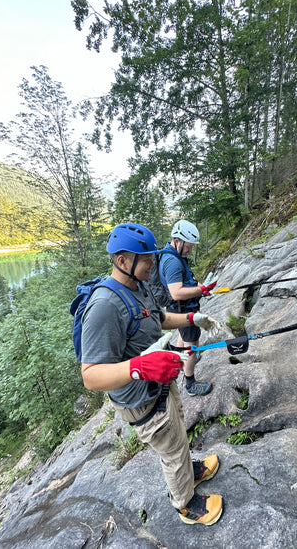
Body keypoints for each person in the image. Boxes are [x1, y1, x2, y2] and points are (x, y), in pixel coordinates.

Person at [81, 223, 223, 525]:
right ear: (123, 261)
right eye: (147, 259)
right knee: (170, 447)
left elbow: (156, 318)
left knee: (176, 433)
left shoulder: (137, 285)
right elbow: (91, 376)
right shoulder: (105, 306)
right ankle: (185, 503)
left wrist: (191, 317)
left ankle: (188, 471)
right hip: (140, 399)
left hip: (159, 383)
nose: (154, 264)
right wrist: (138, 368)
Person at [158, 219, 217, 397]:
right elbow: (176, 292)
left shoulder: (175, 256)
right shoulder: (173, 262)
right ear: (177, 241)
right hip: (183, 309)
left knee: (184, 338)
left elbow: (187, 280)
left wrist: (201, 288)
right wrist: (200, 290)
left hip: (179, 308)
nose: (190, 250)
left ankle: (179, 361)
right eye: (188, 246)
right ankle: (190, 384)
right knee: (193, 346)